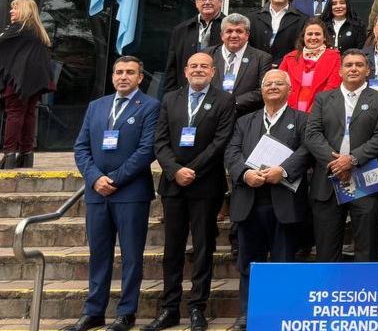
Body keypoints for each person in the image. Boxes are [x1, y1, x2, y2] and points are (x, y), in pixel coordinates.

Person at [68, 56, 160, 331]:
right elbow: (81, 147)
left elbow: (147, 150)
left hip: (131, 193)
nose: (123, 77)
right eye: (119, 72)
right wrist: (95, 179)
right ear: (112, 76)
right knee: (98, 254)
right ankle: (94, 310)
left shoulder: (151, 106)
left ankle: (126, 312)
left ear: (140, 77)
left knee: (131, 256)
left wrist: (115, 179)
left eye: (130, 72)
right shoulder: (97, 106)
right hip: (97, 194)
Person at [146, 52, 236, 331]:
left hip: (205, 185)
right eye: (194, 66)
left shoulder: (224, 100)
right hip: (173, 186)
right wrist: (175, 170)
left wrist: (192, 170)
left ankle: (197, 306)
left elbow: (220, 142)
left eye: (204, 66)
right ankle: (169, 308)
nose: (198, 70)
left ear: (213, 71)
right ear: (185, 71)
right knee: (171, 249)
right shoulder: (170, 98)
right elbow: (159, 141)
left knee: (202, 248)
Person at [225, 69, 309, 331]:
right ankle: (247, 314)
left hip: (283, 202)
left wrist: (282, 170)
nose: (273, 87)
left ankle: (282, 313)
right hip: (249, 202)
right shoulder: (244, 121)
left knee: (283, 262)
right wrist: (245, 173)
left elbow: (308, 150)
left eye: (278, 83)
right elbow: (231, 151)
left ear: (289, 89)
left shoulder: (302, 119)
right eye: (268, 83)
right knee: (250, 263)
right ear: (261, 90)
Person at [304, 49, 378, 262]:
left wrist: (351, 159)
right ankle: (329, 292)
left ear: (368, 70)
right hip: (327, 181)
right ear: (340, 71)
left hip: (364, 180)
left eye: (359, 65)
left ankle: (363, 291)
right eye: (349, 65)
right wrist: (336, 162)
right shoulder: (323, 98)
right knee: (326, 249)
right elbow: (312, 134)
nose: (354, 68)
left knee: (366, 247)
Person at [0, 0, 54, 168]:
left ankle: (9, 155)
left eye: (15, 8)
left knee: (14, 114)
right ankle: (26, 155)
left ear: (24, 11)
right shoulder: (38, 32)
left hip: (17, 80)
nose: (11, 12)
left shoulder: (17, 30)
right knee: (29, 115)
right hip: (35, 81)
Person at [204, 14, 272, 117]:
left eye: (239, 31)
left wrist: (230, 103)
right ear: (222, 35)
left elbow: (262, 90)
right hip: (209, 113)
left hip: (244, 116)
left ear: (247, 35)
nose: (234, 35)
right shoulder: (207, 55)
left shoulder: (262, 58)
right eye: (229, 31)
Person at [163, 0, 225, 96]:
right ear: (196, 2)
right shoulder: (181, 30)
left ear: (220, 1)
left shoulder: (230, 29)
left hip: (218, 93)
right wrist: (169, 95)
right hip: (185, 91)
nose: (207, 2)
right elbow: (172, 67)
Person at [280, 21, 342, 114]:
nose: (313, 37)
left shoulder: (335, 57)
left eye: (317, 34)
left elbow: (332, 86)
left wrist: (314, 111)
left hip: (321, 110)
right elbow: (280, 84)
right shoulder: (289, 58)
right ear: (303, 37)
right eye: (309, 34)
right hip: (290, 112)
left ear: (324, 37)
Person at [249, 0, 307, 65]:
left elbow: (301, 49)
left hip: (287, 69)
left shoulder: (303, 20)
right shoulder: (252, 18)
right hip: (256, 69)